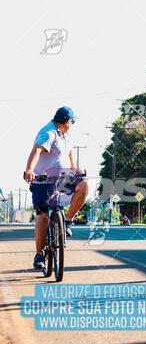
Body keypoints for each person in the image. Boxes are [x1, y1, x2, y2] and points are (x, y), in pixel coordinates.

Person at [24, 106, 89, 269]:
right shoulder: (48, 132)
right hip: (43, 181)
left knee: (83, 186)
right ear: (67, 121)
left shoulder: (65, 135)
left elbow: (68, 151)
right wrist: (30, 170)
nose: (72, 124)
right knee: (43, 215)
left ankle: (67, 221)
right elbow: (36, 150)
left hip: (62, 180)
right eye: (72, 121)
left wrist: (74, 168)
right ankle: (39, 255)